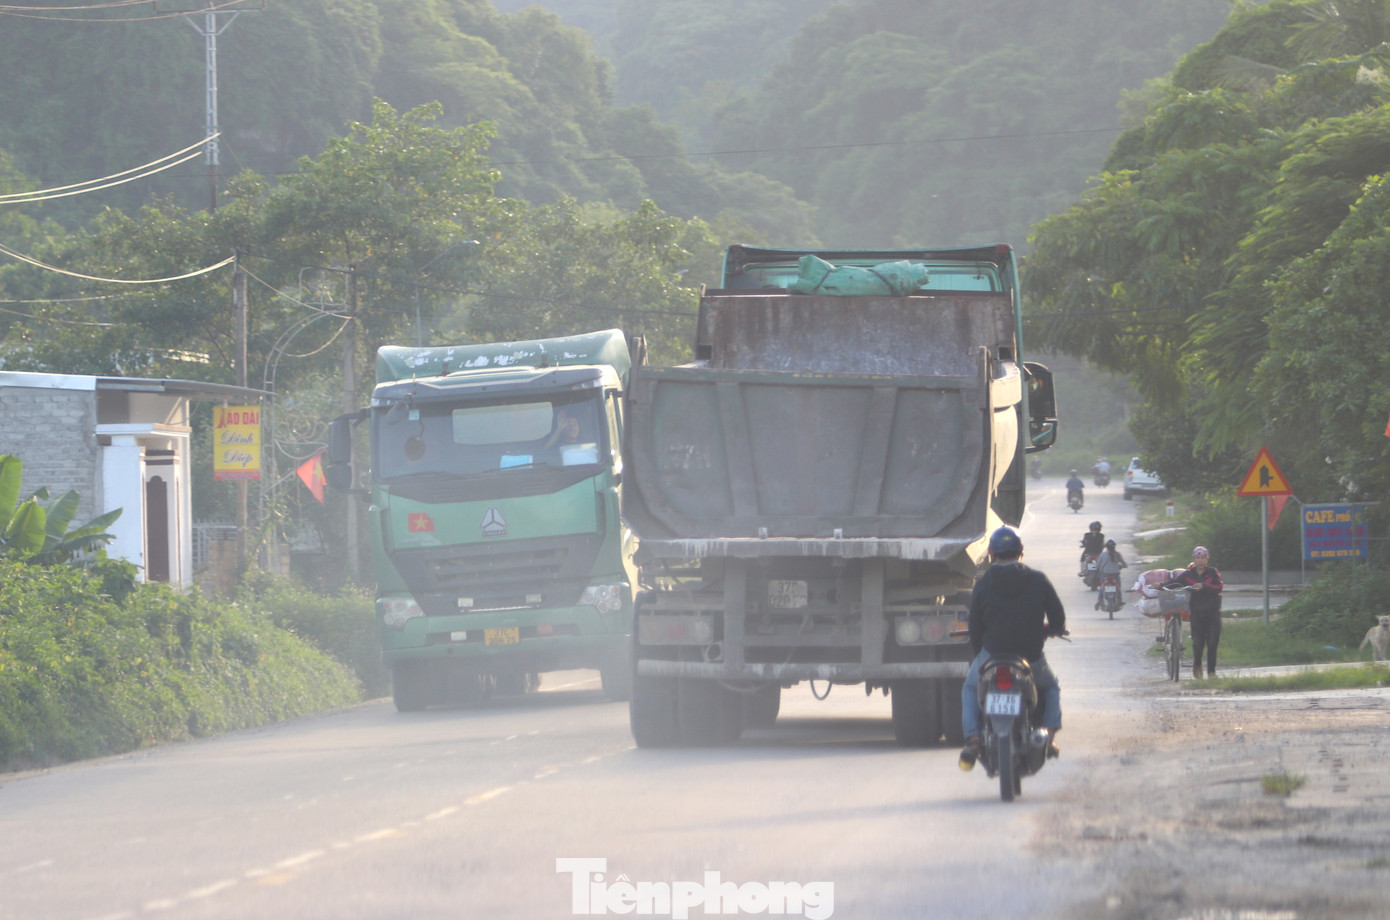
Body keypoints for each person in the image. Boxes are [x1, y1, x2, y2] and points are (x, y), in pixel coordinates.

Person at [960, 526, 1066, 765]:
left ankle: (973, 738)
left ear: (991, 553)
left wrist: (981, 656)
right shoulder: (1038, 580)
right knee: (1050, 687)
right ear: (1021, 551)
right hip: (1031, 656)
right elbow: (1058, 617)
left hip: (992, 654)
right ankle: (1049, 735)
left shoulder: (983, 583)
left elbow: (975, 627)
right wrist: (1054, 629)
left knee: (970, 688)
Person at [1167, 546, 1223, 678]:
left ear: (1207, 559)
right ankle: (1197, 665)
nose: (1200, 561)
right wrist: (1160, 585)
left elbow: (1219, 586)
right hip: (1196, 614)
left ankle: (1211, 672)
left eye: (1203, 558)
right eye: (1198, 558)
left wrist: (1204, 586)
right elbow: (1175, 583)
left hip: (1212, 614)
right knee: (1197, 643)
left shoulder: (1212, 573)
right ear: (1194, 559)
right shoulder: (1188, 575)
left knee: (1212, 643)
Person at [1093, 539, 1128, 610]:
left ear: (1106, 547)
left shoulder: (1102, 555)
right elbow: (1124, 564)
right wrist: (1123, 566)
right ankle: (1119, 601)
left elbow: (1098, 565)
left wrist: (1097, 569)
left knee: (1102, 587)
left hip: (1105, 574)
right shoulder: (1117, 554)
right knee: (1117, 587)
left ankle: (1099, 600)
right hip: (1115, 574)